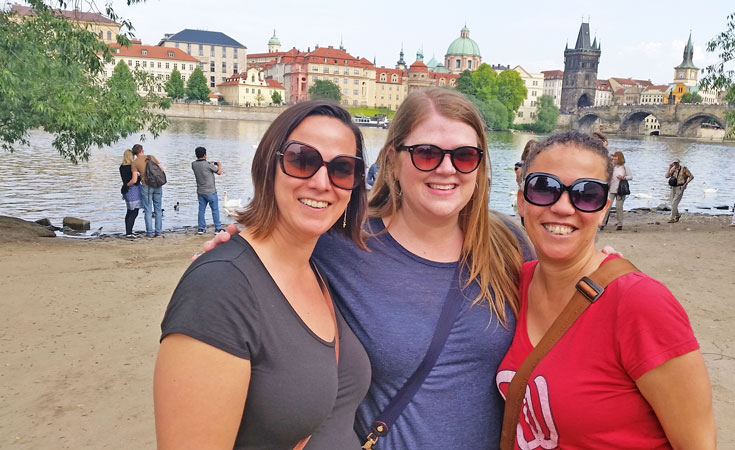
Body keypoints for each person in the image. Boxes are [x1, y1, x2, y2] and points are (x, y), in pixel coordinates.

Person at [202, 88, 534, 449]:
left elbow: (564, 322)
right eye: (426, 153)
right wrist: (233, 253)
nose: (446, 168)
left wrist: (603, 272)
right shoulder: (340, 242)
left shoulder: (509, 244)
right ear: (392, 160)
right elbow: (268, 259)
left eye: (465, 156)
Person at [154, 101, 371, 449]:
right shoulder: (218, 289)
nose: (321, 182)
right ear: (269, 166)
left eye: (343, 169)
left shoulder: (315, 268)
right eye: (302, 160)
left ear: (353, 186)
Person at [498, 131, 715, 449]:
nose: (562, 207)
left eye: (586, 194)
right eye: (544, 188)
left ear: (603, 208)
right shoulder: (514, 285)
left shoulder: (640, 303)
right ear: (520, 200)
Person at [131, 144, 166, 237]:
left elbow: (134, 179)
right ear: (142, 150)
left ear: (134, 153)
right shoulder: (151, 157)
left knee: (148, 210)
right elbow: (162, 169)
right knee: (158, 209)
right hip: (157, 185)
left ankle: (149, 233)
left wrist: (128, 184)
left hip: (146, 186)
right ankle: (158, 232)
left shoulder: (134, 163)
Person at [191, 146, 223, 234]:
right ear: (205, 155)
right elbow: (219, 172)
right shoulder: (208, 165)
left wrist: (210, 163)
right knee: (215, 210)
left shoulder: (193, 164)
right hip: (211, 191)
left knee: (201, 210)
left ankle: (201, 228)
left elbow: (203, 166)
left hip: (200, 192)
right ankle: (218, 228)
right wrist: (219, 165)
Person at [601, 150, 633, 230]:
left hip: (620, 190)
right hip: (611, 189)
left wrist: (623, 178)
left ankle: (620, 223)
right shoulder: (612, 166)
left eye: (616, 159)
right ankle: (603, 223)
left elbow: (631, 177)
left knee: (618, 207)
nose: (614, 160)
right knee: (607, 207)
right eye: (614, 159)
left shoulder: (624, 166)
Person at [119, 149, 142, 238]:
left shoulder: (121, 167)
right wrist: (139, 177)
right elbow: (134, 180)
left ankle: (128, 231)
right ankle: (129, 233)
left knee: (129, 211)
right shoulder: (132, 167)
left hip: (126, 190)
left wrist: (126, 186)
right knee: (134, 212)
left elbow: (126, 179)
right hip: (133, 190)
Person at [665, 158, 693, 223]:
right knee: (672, 202)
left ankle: (671, 218)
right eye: (674, 163)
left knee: (674, 202)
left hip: (680, 187)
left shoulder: (684, 169)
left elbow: (691, 177)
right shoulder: (673, 169)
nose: (675, 164)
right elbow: (666, 176)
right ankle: (677, 215)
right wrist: (669, 167)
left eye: (676, 163)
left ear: (679, 163)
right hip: (673, 187)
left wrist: (685, 184)